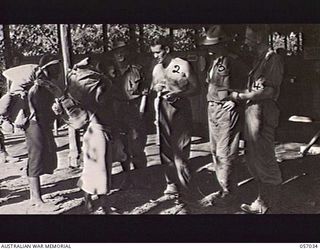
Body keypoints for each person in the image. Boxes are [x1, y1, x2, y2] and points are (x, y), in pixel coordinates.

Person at [225, 25, 284, 214]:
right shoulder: (259, 60)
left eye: (248, 37)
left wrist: (240, 97)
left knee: (265, 159)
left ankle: (270, 204)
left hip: (264, 116)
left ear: (258, 38)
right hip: (254, 116)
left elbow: (268, 91)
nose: (245, 41)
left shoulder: (272, 59)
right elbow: (256, 89)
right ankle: (262, 201)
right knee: (254, 159)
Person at [198, 25, 248, 207]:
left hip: (226, 110)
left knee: (224, 152)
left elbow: (250, 83)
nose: (210, 48)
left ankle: (227, 192)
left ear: (223, 44)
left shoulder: (234, 61)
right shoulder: (213, 61)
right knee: (215, 151)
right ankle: (224, 188)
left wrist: (235, 100)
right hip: (212, 108)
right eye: (209, 45)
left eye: (214, 45)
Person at [150, 37, 200, 209]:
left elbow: (196, 87)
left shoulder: (183, 64)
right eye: (154, 53)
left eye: (158, 52)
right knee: (165, 149)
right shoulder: (157, 68)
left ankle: (186, 190)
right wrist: (157, 89)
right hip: (163, 108)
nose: (156, 56)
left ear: (167, 49)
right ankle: (171, 184)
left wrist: (179, 92)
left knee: (181, 150)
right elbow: (153, 88)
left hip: (180, 109)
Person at [71, 58, 115, 214]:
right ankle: (93, 201)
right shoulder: (99, 91)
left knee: (101, 169)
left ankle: (98, 201)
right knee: (95, 169)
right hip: (96, 132)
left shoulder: (104, 90)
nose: (114, 73)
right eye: (112, 70)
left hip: (101, 131)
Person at [25, 54, 62, 212]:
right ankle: (36, 199)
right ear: (47, 68)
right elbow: (34, 105)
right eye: (55, 68)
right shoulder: (37, 86)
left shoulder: (48, 84)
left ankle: (34, 195)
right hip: (35, 124)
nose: (58, 71)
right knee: (36, 157)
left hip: (42, 124)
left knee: (42, 155)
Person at [111, 40, 149, 189]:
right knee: (122, 147)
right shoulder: (110, 72)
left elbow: (145, 92)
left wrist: (141, 112)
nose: (120, 54)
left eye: (123, 51)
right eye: (116, 52)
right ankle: (127, 178)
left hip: (134, 110)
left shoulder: (136, 70)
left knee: (137, 146)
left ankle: (141, 178)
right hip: (118, 112)